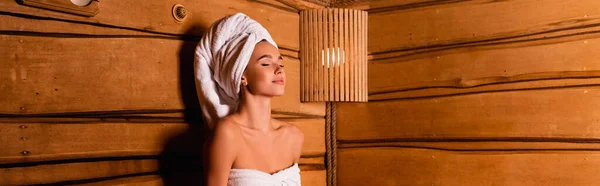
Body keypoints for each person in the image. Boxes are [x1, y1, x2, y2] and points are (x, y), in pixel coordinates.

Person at [194, 12, 304, 186]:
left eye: (281, 64)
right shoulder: (227, 135)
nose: (279, 70)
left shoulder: (293, 137)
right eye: (266, 63)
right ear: (241, 75)